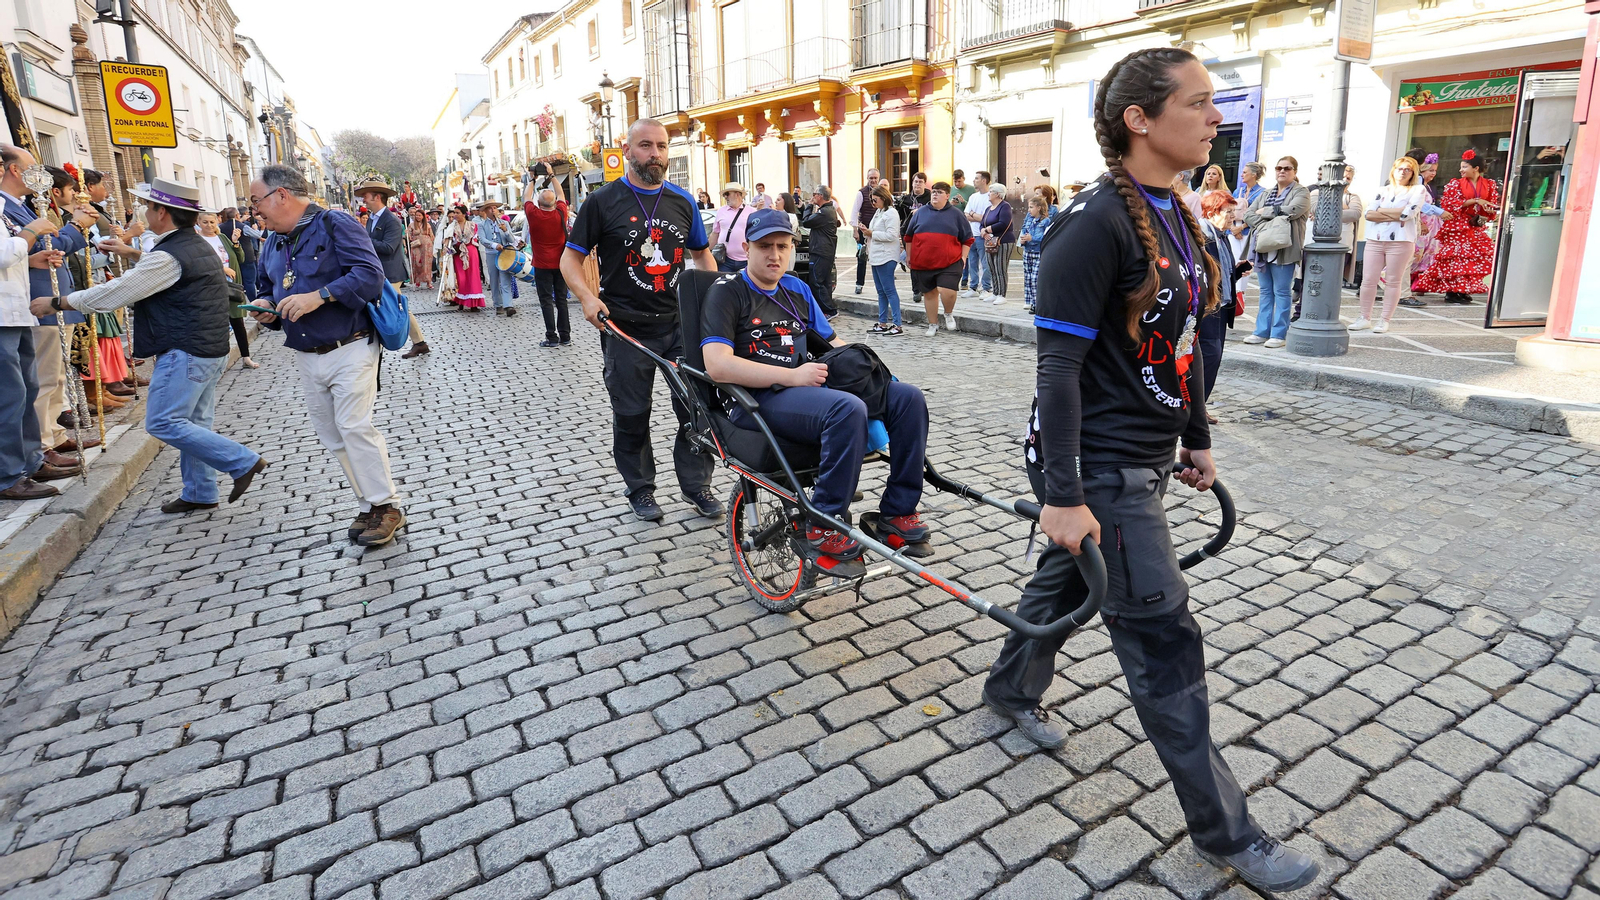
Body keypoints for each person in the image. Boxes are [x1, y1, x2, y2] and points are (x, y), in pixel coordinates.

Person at [993, 47, 1319, 895]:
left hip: (1143, 454)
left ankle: (1006, 689)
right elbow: (1055, 372)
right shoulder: (1091, 222)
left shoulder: (1182, 215)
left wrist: (1197, 434)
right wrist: (1063, 496)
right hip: (1093, 465)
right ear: (1140, 118)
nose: (1216, 117)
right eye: (1200, 103)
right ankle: (1228, 833)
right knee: (1164, 639)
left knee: (1067, 580)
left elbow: (1186, 349)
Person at [701, 207, 931, 567]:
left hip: (807, 389)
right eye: (765, 246)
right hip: (755, 399)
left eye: (783, 246)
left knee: (908, 398)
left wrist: (875, 376)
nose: (775, 254)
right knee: (846, 409)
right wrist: (792, 376)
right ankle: (823, 524)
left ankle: (897, 512)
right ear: (747, 247)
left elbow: (833, 342)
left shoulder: (796, 287)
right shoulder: (727, 292)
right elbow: (716, 365)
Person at [40, 177, 266, 512]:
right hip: (206, 346)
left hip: (186, 349)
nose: (145, 211)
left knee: (164, 422)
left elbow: (115, 293)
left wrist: (58, 302)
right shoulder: (192, 243)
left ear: (162, 211)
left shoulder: (170, 254)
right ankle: (200, 492)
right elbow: (164, 271)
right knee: (194, 423)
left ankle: (241, 461)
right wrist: (132, 252)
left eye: (148, 205)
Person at [560, 117, 720, 523]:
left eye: (662, 147)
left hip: (679, 326)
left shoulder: (683, 203)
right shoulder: (603, 201)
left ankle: (697, 484)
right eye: (646, 146)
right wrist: (586, 297)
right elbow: (570, 258)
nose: (656, 154)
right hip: (624, 328)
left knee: (697, 408)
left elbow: (702, 256)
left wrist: (713, 301)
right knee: (632, 414)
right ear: (627, 150)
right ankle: (641, 488)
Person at [247, 164, 404, 546]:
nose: (254, 211)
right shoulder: (274, 241)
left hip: (350, 345)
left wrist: (319, 296)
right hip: (307, 352)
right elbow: (268, 286)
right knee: (333, 434)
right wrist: (267, 306)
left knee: (354, 426)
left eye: (256, 201)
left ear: (281, 195)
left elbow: (369, 275)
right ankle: (368, 503)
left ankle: (387, 506)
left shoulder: (336, 223)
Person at [1, 148, 92, 476]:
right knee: (33, 383)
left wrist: (33, 254)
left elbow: (28, 252)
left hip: (33, 299)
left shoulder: (18, 207)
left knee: (46, 379)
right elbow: (22, 248)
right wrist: (72, 227)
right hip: (32, 301)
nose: (37, 176)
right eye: (30, 169)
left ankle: (47, 440)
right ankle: (39, 446)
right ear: (13, 170)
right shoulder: (9, 208)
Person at [0, 203, 61, 499]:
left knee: (26, 390)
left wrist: (29, 259)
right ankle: (7, 475)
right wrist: (30, 232)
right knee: (8, 398)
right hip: (1, 317)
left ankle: (30, 462)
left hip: (16, 312)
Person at [1351, 157, 1427, 334]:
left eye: (1407, 169)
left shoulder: (1417, 189)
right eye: (1400, 168)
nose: (1403, 172)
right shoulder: (1382, 190)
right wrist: (1395, 214)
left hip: (1401, 240)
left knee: (1393, 280)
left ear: (1413, 173)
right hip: (1375, 239)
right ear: (1393, 170)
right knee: (1368, 280)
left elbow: (1408, 214)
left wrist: (1383, 212)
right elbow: (1369, 214)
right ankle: (1364, 317)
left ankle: (1384, 320)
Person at [1414, 149, 1499, 304]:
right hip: (1457, 225)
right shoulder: (1456, 184)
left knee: (1473, 258)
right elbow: (1449, 204)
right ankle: (1452, 290)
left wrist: (1488, 209)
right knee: (1456, 257)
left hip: (1475, 224)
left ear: (1476, 168)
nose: (1461, 170)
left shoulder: (1489, 184)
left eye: (1464, 167)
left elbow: (1491, 202)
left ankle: (1463, 288)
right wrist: (1476, 201)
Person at [1243, 157, 1309, 347]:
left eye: (1287, 168)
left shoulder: (1301, 192)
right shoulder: (1267, 193)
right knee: (1265, 291)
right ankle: (1261, 331)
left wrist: (1264, 213)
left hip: (1285, 249)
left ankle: (1279, 334)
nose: (1282, 171)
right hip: (1263, 248)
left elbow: (1294, 210)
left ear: (1294, 171)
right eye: (1279, 168)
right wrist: (1271, 221)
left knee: (1281, 291)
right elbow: (1248, 214)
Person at [1199, 190, 1247, 415]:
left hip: (1222, 305)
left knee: (1213, 357)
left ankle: (1199, 406)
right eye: (1228, 212)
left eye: (1233, 213)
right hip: (1207, 307)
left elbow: (1221, 274)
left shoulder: (1222, 236)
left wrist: (1236, 272)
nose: (1232, 217)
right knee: (1210, 355)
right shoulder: (1201, 236)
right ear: (1212, 212)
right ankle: (1195, 409)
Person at [904, 181, 972, 337]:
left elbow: (967, 238)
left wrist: (963, 257)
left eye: (939, 192)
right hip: (923, 261)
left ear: (948, 196)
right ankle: (933, 324)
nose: (935, 194)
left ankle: (948, 313)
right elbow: (909, 236)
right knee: (929, 294)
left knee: (947, 290)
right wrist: (909, 256)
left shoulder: (956, 214)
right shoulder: (920, 213)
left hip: (950, 261)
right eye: (934, 191)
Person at [197, 211, 256, 370]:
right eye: (205, 222)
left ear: (217, 222)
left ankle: (246, 357)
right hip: (212, 287)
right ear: (199, 222)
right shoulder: (198, 241)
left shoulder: (222, 238)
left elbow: (240, 258)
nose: (209, 225)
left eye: (212, 222)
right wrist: (222, 269)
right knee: (218, 324)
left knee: (238, 322)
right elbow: (200, 263)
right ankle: (217, 362)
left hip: (232, 285)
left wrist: (235, 243)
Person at [522, 166, 573, 347]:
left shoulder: (534, 215)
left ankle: (552, 337)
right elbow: (560, 193)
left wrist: (532, 179)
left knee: (546, 302)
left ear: (539, 202)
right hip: (561, 264)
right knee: (561, 301)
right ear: (553, 203)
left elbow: (526, 197)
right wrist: (551, 175)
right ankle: (565, 336)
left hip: (542, 265)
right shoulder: (561, 212)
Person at [1406, 154, 1445, 306]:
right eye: (1431, 170)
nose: (1433, 173)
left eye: (1435, 170)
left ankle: (1415, 284)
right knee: (1415, 253)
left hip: (1429, 227)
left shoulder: (1428, 186)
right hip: (1421, 225)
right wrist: (1424, 220)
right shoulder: (1419, 184)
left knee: (1424, 255)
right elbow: (1419, 205)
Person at [864, 183, 902, 335]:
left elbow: (892, 235)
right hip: (876, 255)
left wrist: (872, 233)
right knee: (881, 291)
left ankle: (898, 324)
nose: (873, 203)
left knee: (889, 290)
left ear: (883, 198)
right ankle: (882, 322)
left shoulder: (891, 213)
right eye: (871, 200)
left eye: (875, 200)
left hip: (886, 256)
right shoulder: (879, 212)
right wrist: (867, 231)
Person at [801, 187, 840, 316]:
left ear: (820, 196)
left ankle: (830, 310)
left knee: (816, 282)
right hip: (826, 251)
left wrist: (809, 206)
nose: (813, 197)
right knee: (825, 282)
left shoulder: (824, 212)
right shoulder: (829, 210)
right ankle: (826, 311)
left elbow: (806, 222)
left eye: (814, 194)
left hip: (820, 251)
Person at [440, 205, 486, 310]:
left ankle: (473, 303)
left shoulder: (473, 225)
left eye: (457, 213)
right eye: (454, 213)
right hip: (458, 253)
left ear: (464, 214)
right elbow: (447, 240)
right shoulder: (452, 227)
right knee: (461, 277)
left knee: (473, 276)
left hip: (471, 251)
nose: (455, 215)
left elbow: (475, 238)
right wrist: (448, 246)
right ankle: (461, 300)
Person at [475, 200, 515, 315]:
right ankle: (498, 304)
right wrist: (494, 245)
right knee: (494, 279)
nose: (493, 210)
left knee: (505, 278)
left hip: (504, 254)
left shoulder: (504, 223)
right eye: (490, 208)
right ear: (486, 211)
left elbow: (511, 240)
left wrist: (506, 231)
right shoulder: (482, 225)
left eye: (495, 208)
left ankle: (508, 305)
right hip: (491, 253)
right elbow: (483, 239)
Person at [980, 184, 1015, 305]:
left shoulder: (1005, 206)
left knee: (1000, 267)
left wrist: (988, 229)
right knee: (992, 267)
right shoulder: (988, 208)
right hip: (990, 242)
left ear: (998, 194)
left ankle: (1002, 294)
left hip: (1003, 241)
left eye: (991, 191)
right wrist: (983, 232)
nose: (989, 193)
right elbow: (982, 223)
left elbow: (1004, 223)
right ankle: (995, 292)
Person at [960, 170, 993, 299]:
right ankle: (973, 286)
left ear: (984, 181)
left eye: (976, 178)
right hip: (971, 234)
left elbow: (987, 218)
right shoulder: (973, 197)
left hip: (983, 234)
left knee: (985, 263)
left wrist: (973, 215)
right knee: (972, 262)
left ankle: (986, 287)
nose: (974, 181)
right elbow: (966, 214)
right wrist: (975, 216)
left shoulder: (990, 197)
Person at [850, 169, 883, 294]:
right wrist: (855, 230)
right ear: (867, 178)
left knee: (880, 257)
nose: (873, 180)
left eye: (875, 178)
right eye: (871, 178)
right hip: (863, 230)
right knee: (862, 257)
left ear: (878, 178)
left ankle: (880, 285)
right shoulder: (861, 193)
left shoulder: (883, 193)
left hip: (878, 231)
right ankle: (859, 284)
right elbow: (854, 212)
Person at [219, 206, 261, 301]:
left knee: (236, 282)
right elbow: (258, 235)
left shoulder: (220, 227)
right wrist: (255, 228)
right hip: (247, 257)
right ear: (237, 215)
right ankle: (253, 301)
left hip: (231, 258)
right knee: (249, 282)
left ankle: (238, 300)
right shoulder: (243, 227)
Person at [1019, 194, 1050, 314]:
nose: (1029, 210)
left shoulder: (1046, 221)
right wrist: (1022, 240)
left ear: (1039, 208)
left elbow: (1046, 237)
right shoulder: (1029, 220)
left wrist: (1033, 238)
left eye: (1031, 207)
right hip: (1028, 251)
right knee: (1028, 278)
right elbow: (1024, 231)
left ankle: (1038, 303)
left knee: (1035, 278)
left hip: (1038, 252)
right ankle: (1031, 302)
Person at [711, 182, 751, 273]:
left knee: (745, 286)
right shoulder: (721, 211)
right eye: (724, 194)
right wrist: (705, 252)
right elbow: (715, 233)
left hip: (747, 261)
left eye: (727, 194)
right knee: (723, 285)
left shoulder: (751, 211)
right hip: (725, 260)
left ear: (737, 194)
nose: (725, 197)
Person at [406, 208, 434, 291]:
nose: (417, 217)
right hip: (416, 245)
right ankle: (417, 281)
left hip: (426, 246)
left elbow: (432, 236)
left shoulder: (427, 225)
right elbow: (408, 235)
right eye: (416, 215)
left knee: (427, 264)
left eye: (419, 215)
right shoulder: (411, 225)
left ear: (423, 216)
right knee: (417, 262)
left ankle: (428, 281)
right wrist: (408, 234)